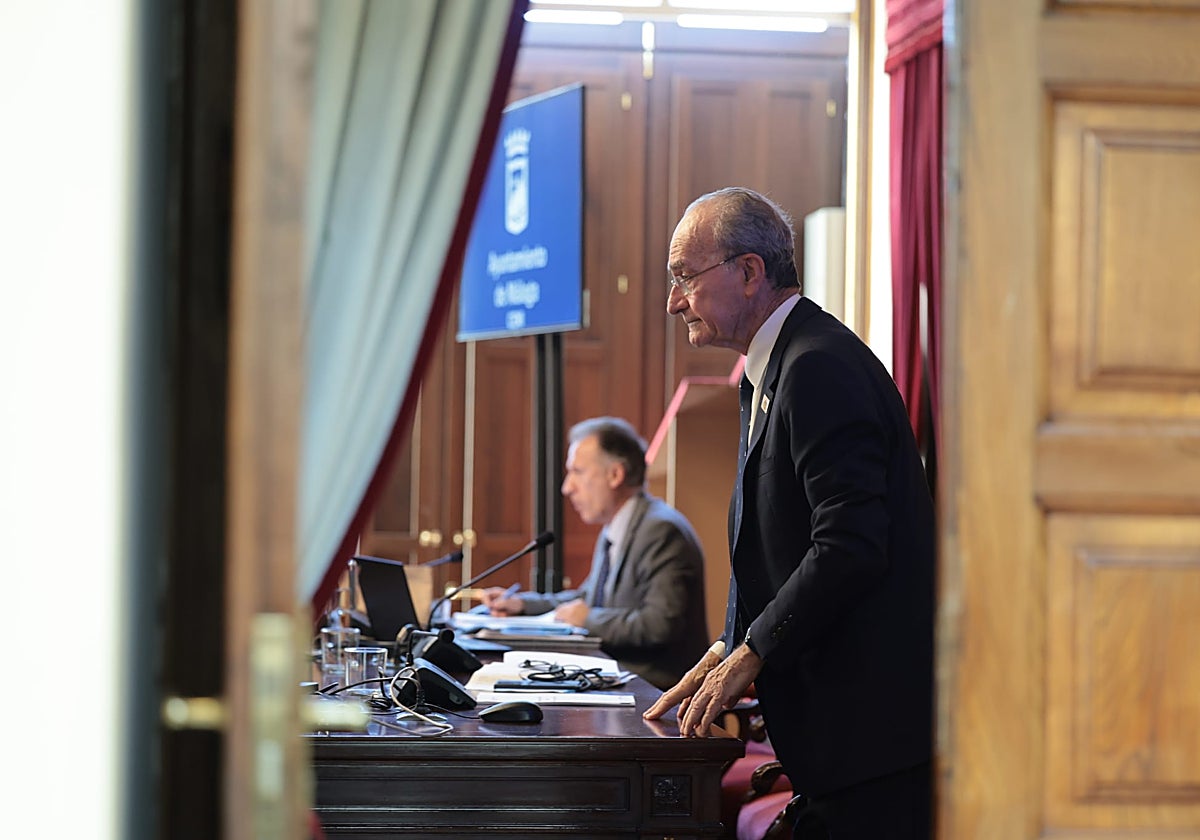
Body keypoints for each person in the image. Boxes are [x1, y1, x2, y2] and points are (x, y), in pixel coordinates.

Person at [644, 187, 935, 839]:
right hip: (840, 746)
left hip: (870, 747)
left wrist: (755, 649)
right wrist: (729, 644)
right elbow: (774, 540)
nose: (674, 301)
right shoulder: (773, 369)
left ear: (749, 272)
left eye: (684, 277)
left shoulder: (817, 367)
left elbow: (850, 544)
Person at [480, 416, 709, 690]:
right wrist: (522, 605)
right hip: (619, 676)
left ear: (615, 475)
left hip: (656, 689)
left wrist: (587, 619)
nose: (567, 487)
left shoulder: (660, 530)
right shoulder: (617, 525)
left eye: (577, 471)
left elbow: (659, 625)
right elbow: (588, 598)